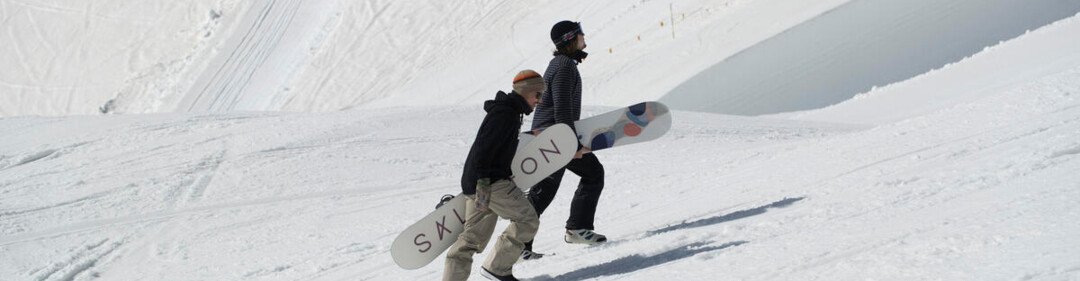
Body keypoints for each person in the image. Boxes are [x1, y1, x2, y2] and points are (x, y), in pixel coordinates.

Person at [443, 70, 546, 281]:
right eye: (538, 94)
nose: (539, 100)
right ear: (526, 92)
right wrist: (483, 182)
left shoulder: (509, 112)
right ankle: (497, 269)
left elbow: (497, 146)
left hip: (478, 183)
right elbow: (483, 148)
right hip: (488, 183)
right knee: (527, 221)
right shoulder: (505, 114)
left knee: (472, 239)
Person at [523, 20, 606, 261]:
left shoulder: (562, 64)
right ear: (571, 39)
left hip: (553, 134)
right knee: (544, 190)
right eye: (581, 34)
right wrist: (571, 143)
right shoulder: (563, 67)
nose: (584, 37)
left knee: (588, 175)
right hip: (553, 136)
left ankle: (576, 228)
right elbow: (562, 108)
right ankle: (519, 244)